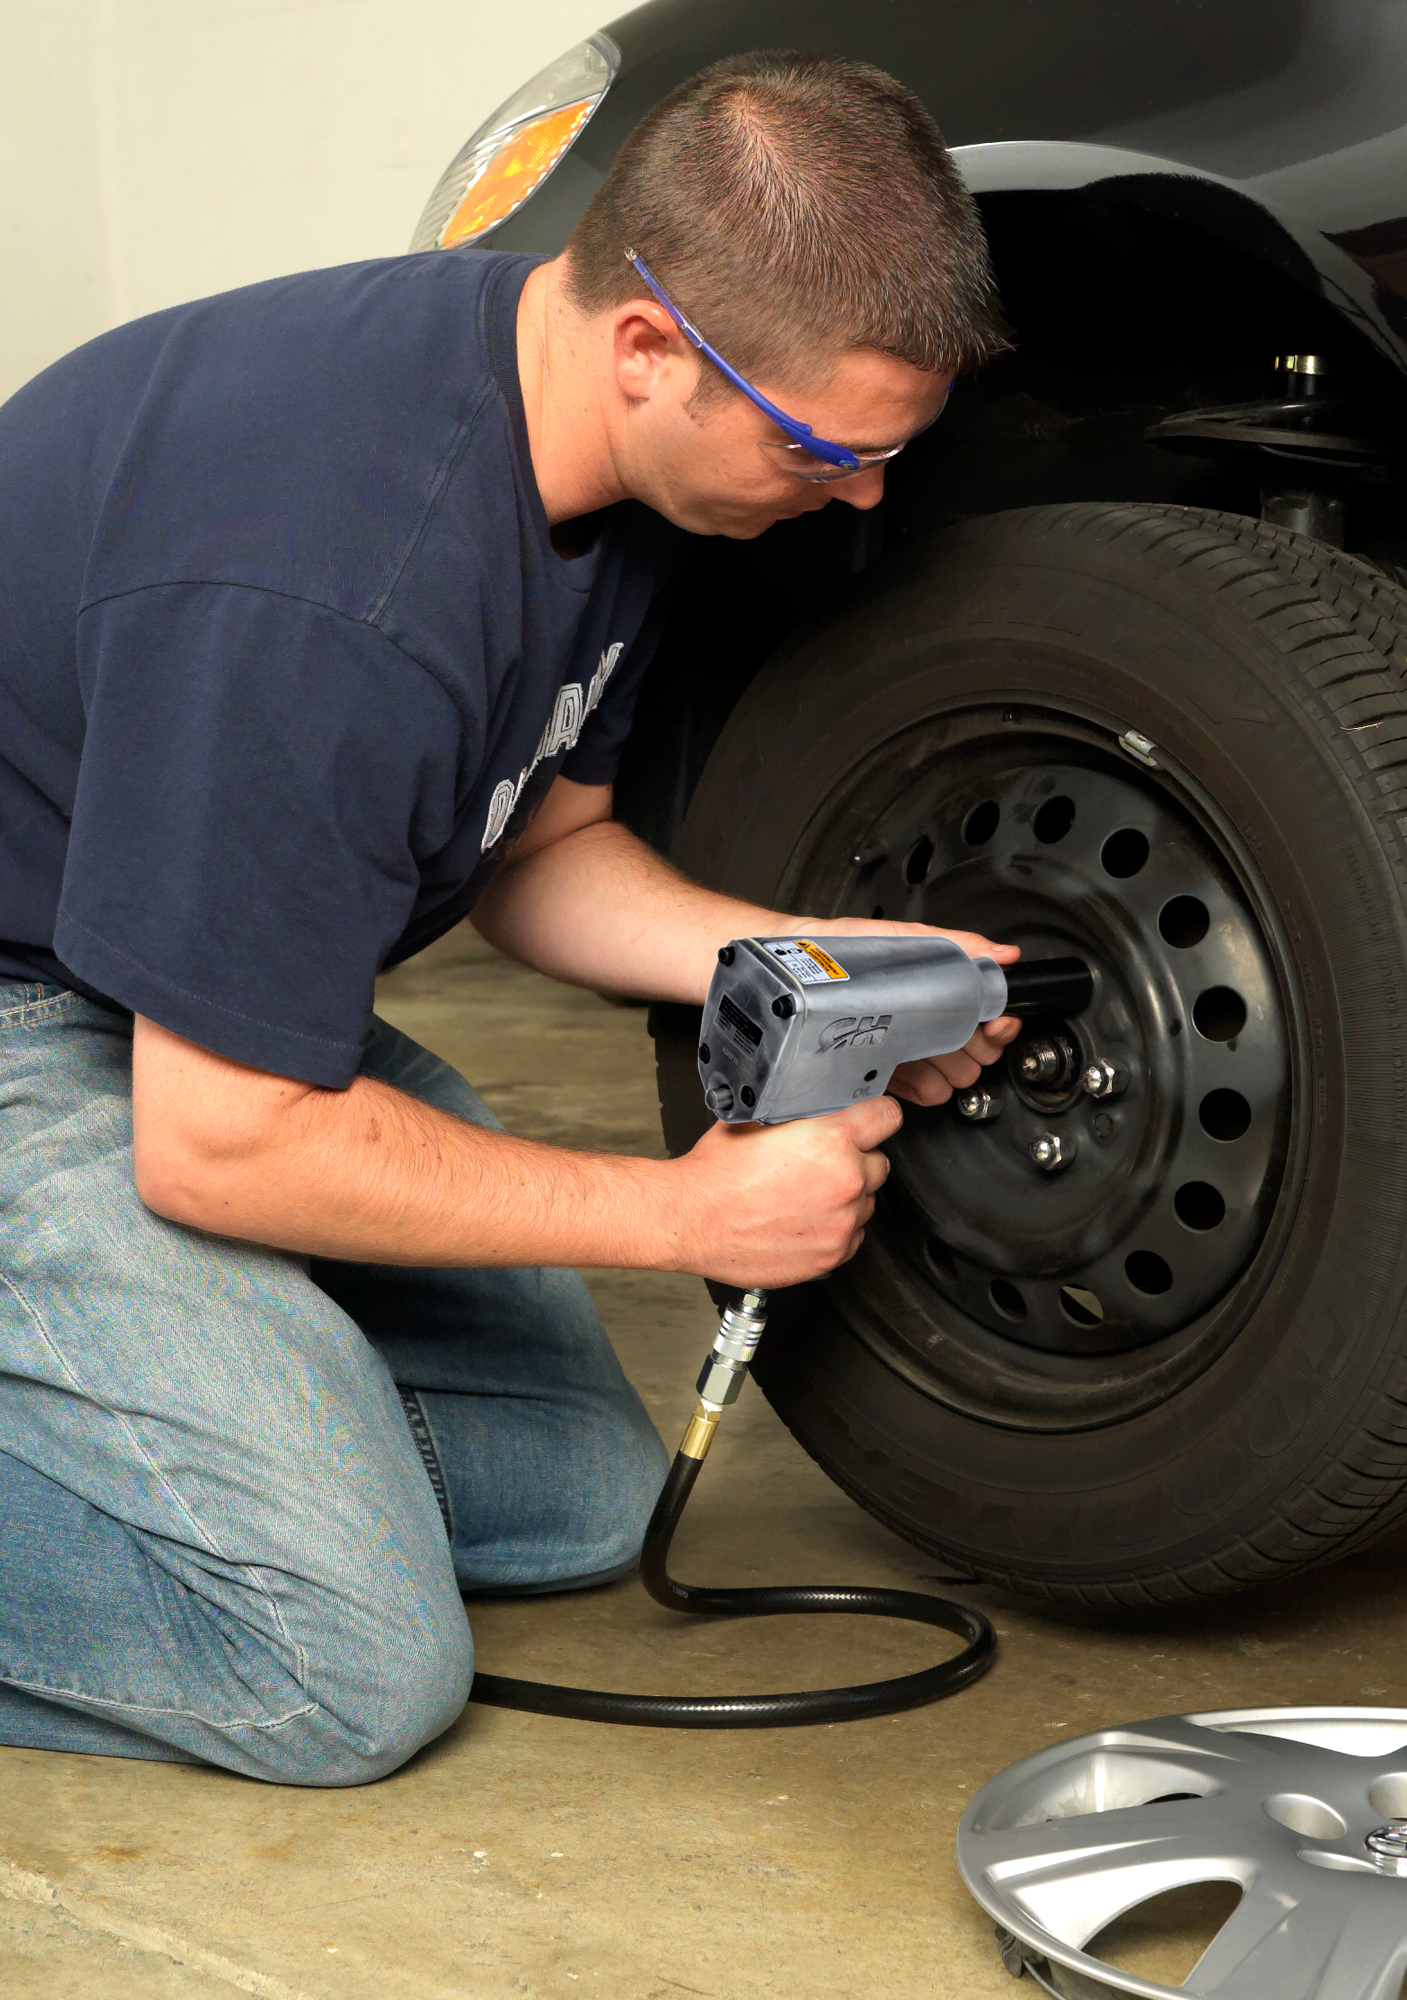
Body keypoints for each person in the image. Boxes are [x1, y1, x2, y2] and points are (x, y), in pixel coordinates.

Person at [0, 51, 1014, 1785]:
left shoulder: (592, 451)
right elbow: (222, 1147)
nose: (856, 497)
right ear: (649, 349)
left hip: (153, 986)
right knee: (345, 1665)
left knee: (578, 1503)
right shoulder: (330, 584)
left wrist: (815, 968)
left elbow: (540, 853)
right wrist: (683, 1208)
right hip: (42, 1023)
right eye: (826, 449)